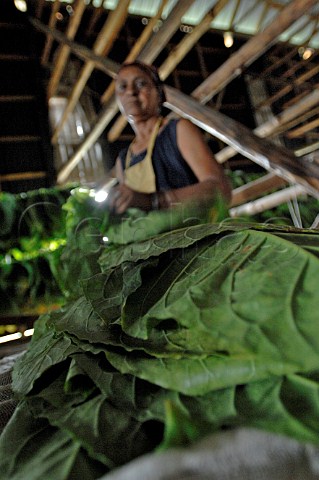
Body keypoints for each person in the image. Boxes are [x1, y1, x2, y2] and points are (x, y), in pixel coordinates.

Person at [109, 61, 231, 215]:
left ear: (159, 93)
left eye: (140, 84)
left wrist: (155, 201)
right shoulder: (122, 161)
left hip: (198, 234)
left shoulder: (178, 130)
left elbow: (220, 190)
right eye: (122, 87)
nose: (130, 92)